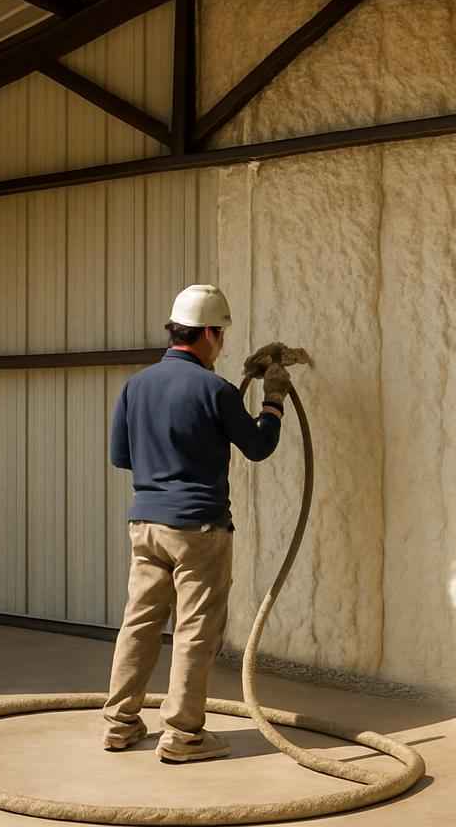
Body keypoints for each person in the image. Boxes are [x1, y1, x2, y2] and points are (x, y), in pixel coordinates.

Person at [101, 284, 291, 763]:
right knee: (194, 631)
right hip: (199, 529)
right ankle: (183, 736)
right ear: (208, 332)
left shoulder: (135, 385)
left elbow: (120, 457)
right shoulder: (215, 390)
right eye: (221, 334)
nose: (221, 343)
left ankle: (120, 724)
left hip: (146, 524)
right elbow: (259, 446)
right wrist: (272, 401)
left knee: (139, 624)